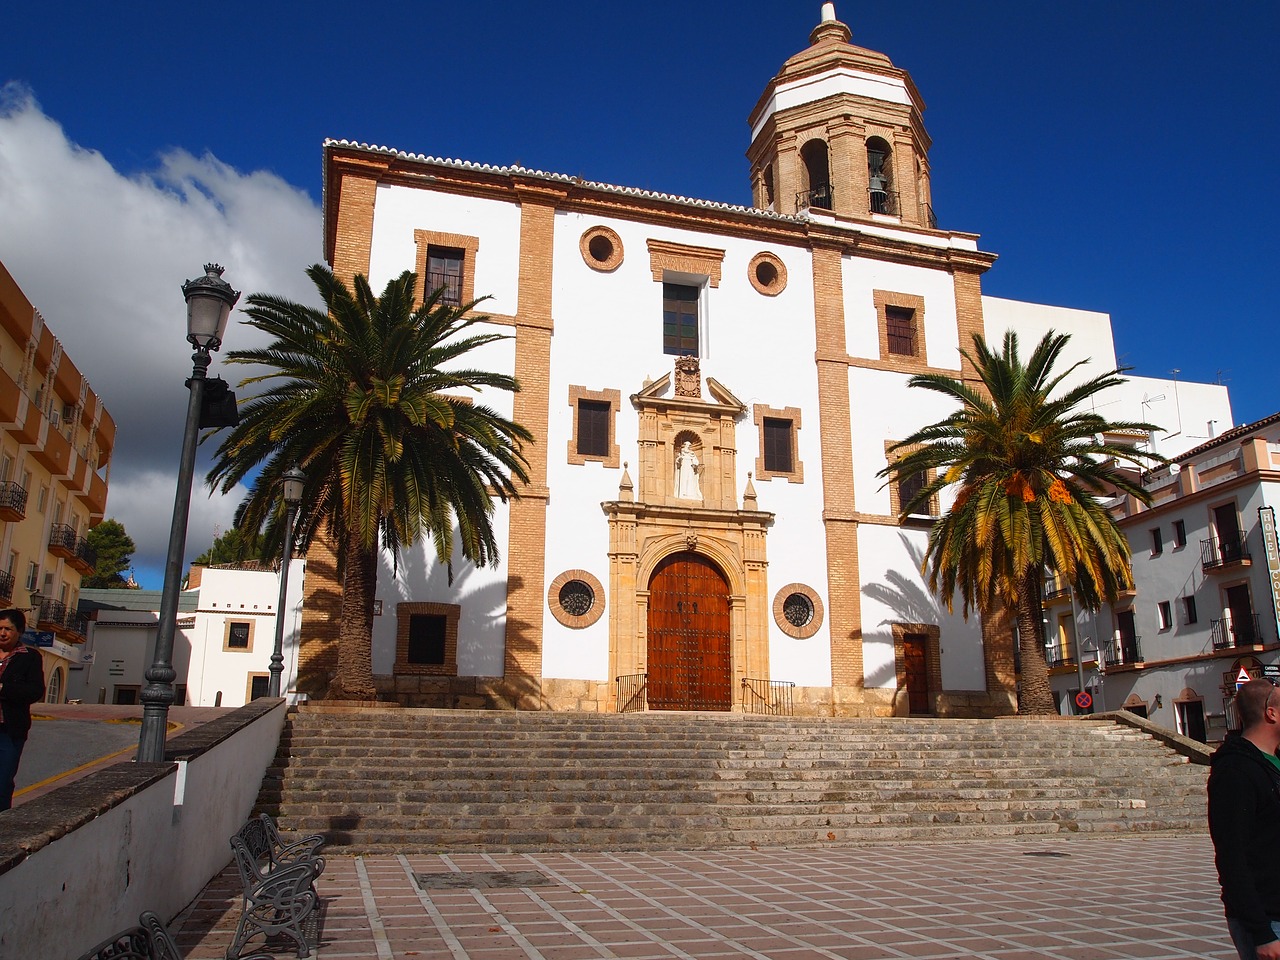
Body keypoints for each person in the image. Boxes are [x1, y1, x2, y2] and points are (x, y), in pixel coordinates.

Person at [1209, 678, 1280, 959]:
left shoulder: (1272, 763)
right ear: (1270, 713)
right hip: (1269, 920)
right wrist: (1262, 933)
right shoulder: (1236, 772)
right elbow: (1232, 857)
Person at [0, 608, 45, 811]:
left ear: (19, 631)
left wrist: (3, 689)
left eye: (8, 629)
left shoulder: (29, 657)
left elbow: (35, 691)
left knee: (2, 781)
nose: (2, 633)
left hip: (9, 731)